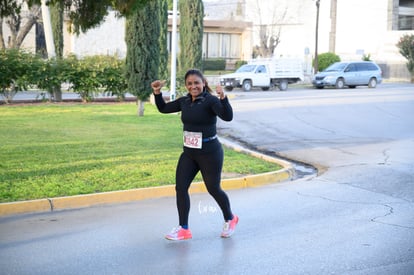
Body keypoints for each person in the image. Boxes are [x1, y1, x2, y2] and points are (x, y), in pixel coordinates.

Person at [151, 69, 239, 241]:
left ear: (203, 83)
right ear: (186, 85)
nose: (193, 86)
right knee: (181, 188)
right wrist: (157, 92)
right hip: (190, 153)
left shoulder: (211, 101)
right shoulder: (184, 102)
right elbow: (163, 108)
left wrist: (223, 98)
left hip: (210, 153)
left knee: (213, 189)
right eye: (190, 84)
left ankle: (230, 218)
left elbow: (227, 116)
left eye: (196, 83)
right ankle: (184, 229)